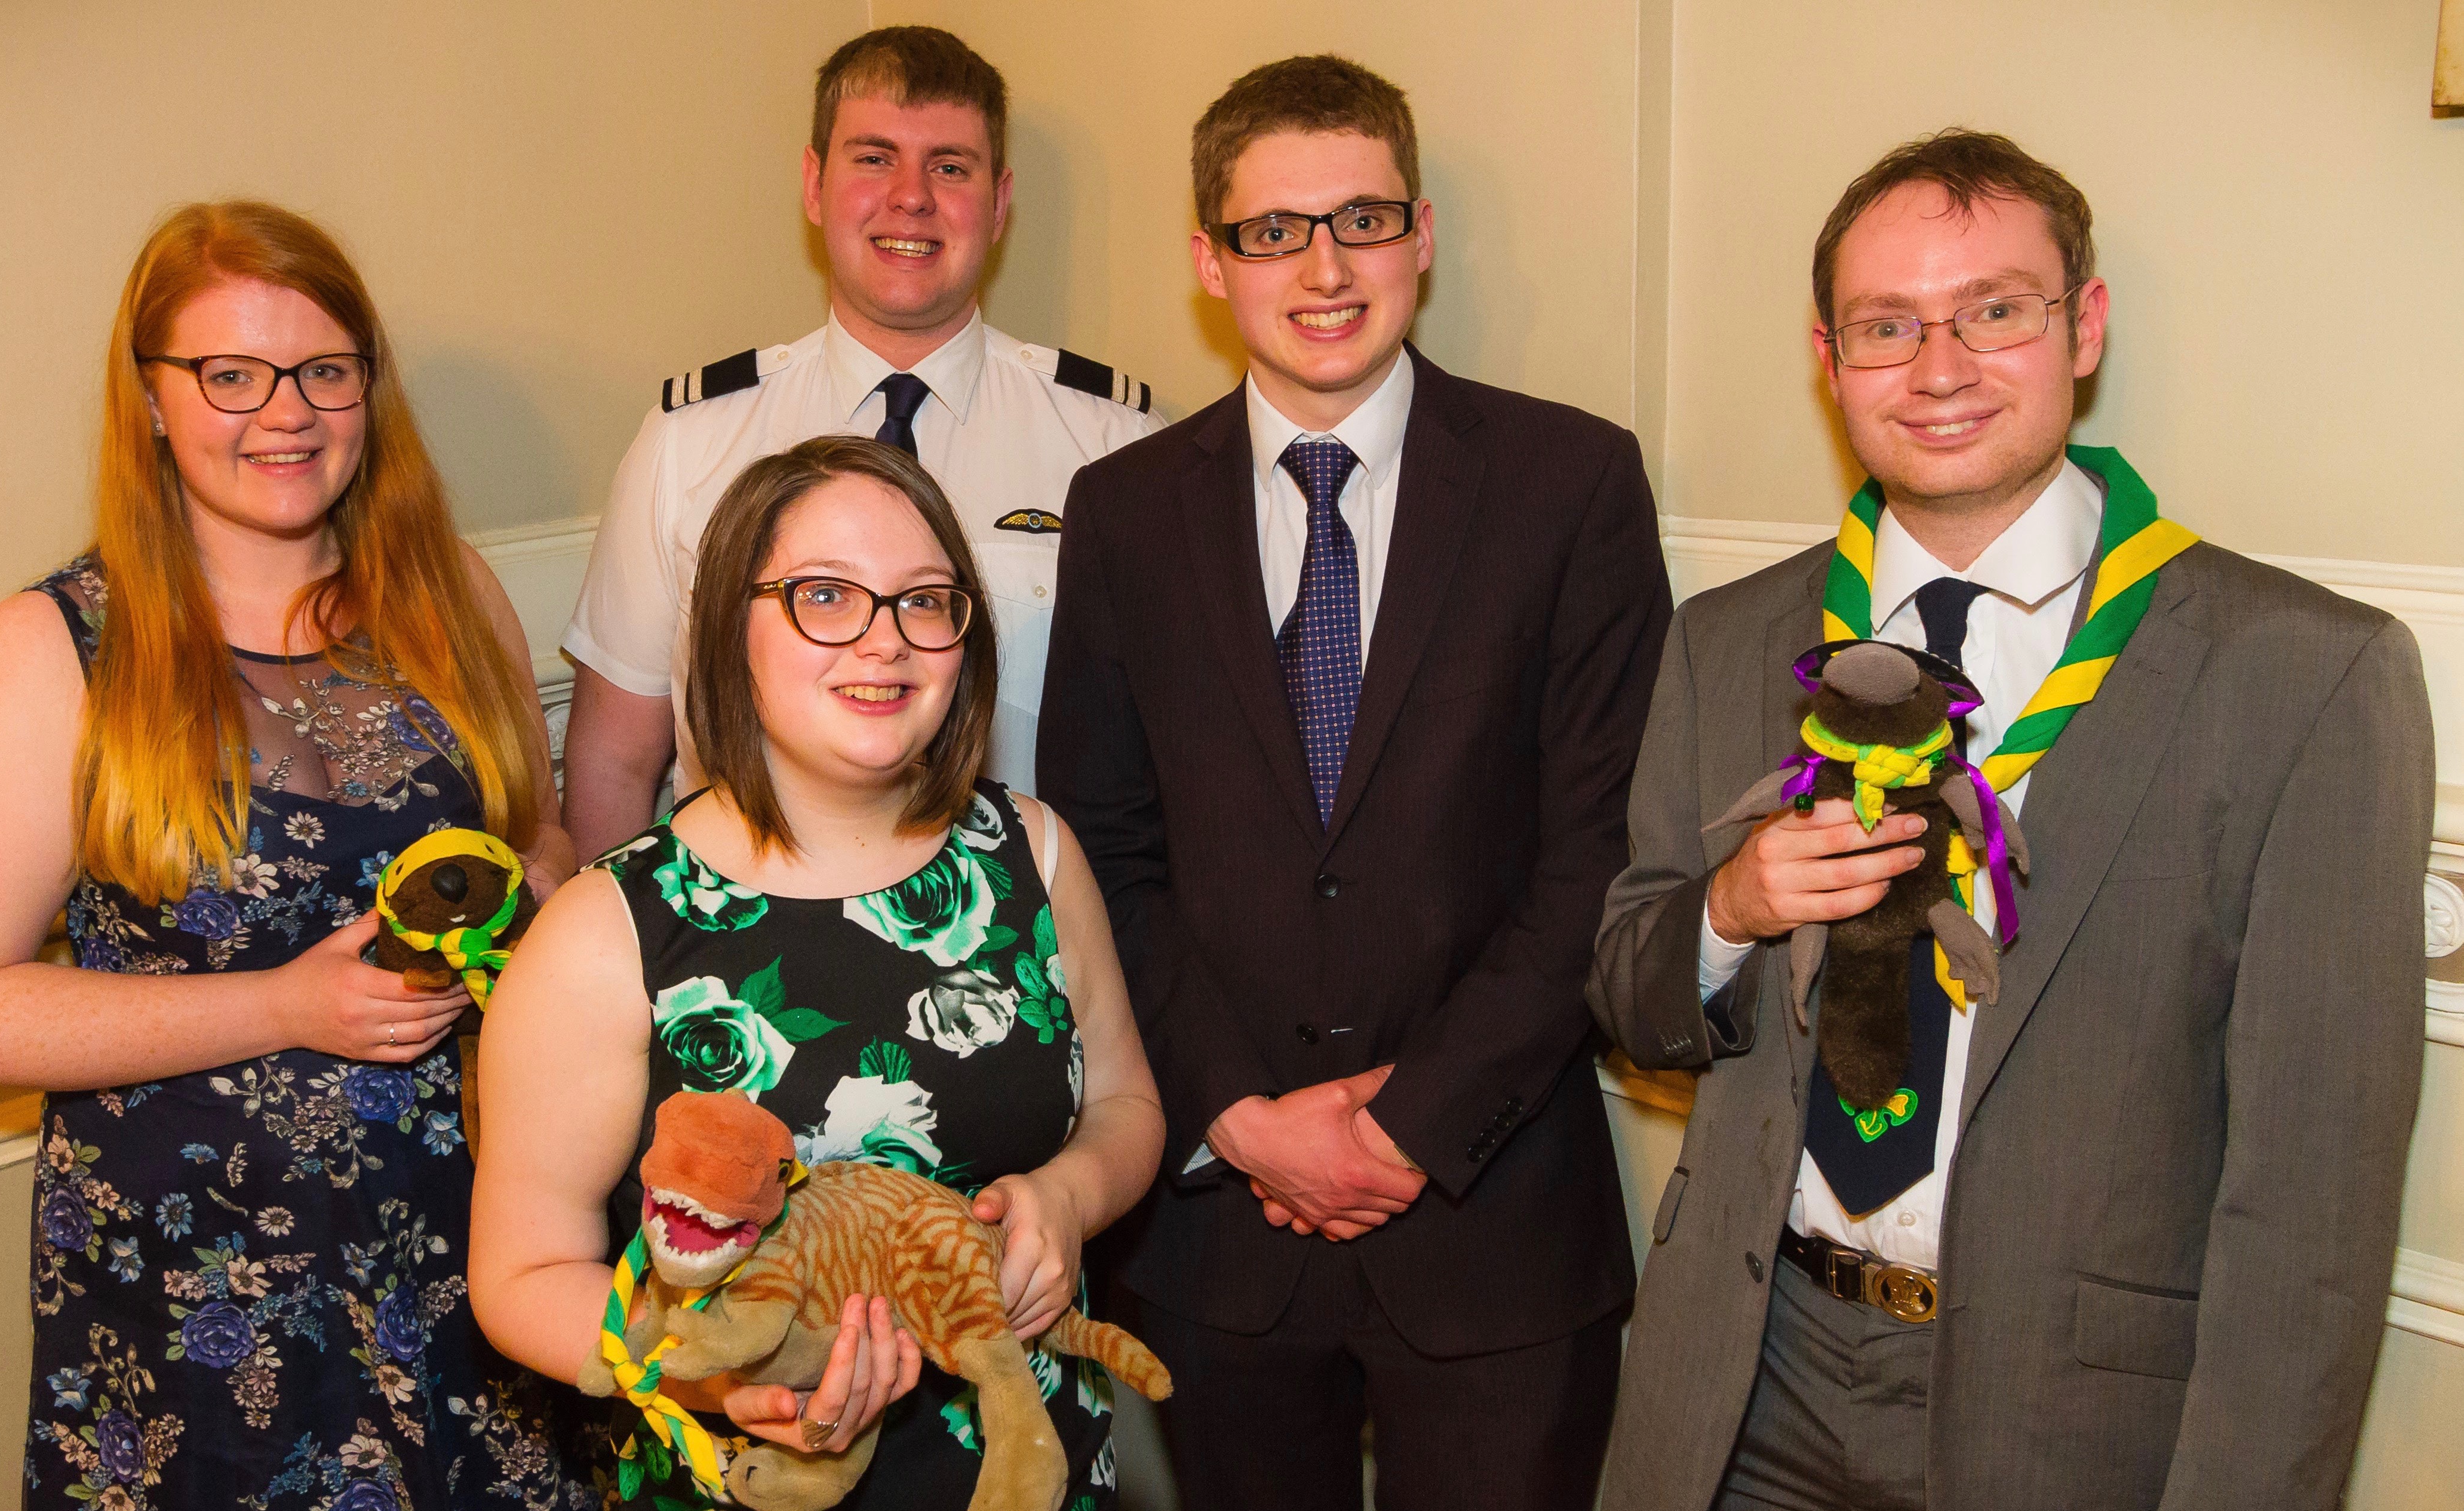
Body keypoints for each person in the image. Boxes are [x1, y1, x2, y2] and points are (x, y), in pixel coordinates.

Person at [1589, 130, 2434, 1511]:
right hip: (1745, 1379)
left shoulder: (2305, 674)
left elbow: (2314, 1209)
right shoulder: (1728, 641)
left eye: (1994, 311)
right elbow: (1630, 1001)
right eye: (1888, 326)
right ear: (1829, 357)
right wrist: (1727, 911)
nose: (1939, 369)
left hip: (2071, 1423)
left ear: (2083, 327)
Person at [0, 201, 588, 1506]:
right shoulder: (56, 651)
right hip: (203, 1294)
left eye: (324, 371)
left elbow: (537, 832)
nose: (287, 413)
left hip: (476, 1234)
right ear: (151, 398)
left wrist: (539, 891)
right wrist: (284, 1006)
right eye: (231, 375)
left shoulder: (452, 596)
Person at [1037, 55, 1670, 1511]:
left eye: (1363, 221)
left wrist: (1407, 1125)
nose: (1324, 269)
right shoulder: (1126, 512)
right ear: (1212, 262)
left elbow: (1602, 853)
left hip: (1498, 1227)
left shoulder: (1570, 483)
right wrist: (1240, 1117)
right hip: (1219, 1241)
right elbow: (1104, 851)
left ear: (1421, 234)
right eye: (1274, 231)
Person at [470, 436, 1166, 1510]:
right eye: (826, 596)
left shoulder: (1033, 854)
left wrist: (1071, 1197)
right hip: (742, 1479)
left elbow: (1125, 1103)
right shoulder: (608, 932)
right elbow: (522, 1275)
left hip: (1034, 1467)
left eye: (925, 601)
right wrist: (718, 1380)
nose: (885, 641)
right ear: (729, 631)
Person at [561, 25, 1164, 860]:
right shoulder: (688, 445)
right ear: (815, 186)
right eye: (875, 159)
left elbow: (1160, 775)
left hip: (1029, 922)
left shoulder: (1114, 447)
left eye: (950, 167)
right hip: (744, 927)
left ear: (999, 203)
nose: (911, 197)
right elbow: (614, 763)